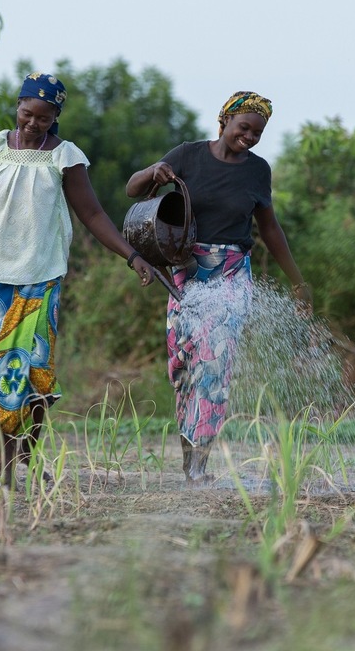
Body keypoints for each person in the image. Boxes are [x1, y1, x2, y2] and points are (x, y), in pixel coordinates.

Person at [0, 72, 156, 489]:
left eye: (43, 116)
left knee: (34, 373)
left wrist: (132, 256)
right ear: (17, 107)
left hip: (39, 279)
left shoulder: (65, 157)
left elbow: (92, 215)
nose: (32, 123)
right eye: (26, 113)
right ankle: (6, 475)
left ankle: (29, 455)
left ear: (55, 116)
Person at [125, 91, 311, 485]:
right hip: (185, 275)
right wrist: (154, 171)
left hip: (230, 277)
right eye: (244, 127)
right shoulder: (188, 155)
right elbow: (132, 189)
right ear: (224, 120)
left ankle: (200, 467)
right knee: (183, 370)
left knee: (214, 365)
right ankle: (188, 460)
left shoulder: (257, 171)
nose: (251, 136)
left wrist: (298, 282)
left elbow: (269, 228)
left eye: (258, 132)